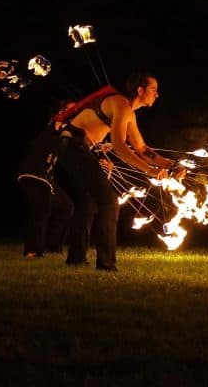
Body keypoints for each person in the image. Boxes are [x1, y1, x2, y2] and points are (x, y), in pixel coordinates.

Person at [49, 73, 186, 270]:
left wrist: (170, 166)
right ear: (140, 90)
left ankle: (76, 259)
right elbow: (119, 146)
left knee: (88, 202)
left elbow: (142, 149)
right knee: (109, 201)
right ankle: (106, 265)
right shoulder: (120, 103)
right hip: (71, 145)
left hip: (76, 148)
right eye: (154, 89)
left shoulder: (129, 112)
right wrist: (150, 170)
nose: (157, 94)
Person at [16, 125, 75, 258]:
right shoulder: (49, 132)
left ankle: (53, 247)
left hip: (47, 180)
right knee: (41, 209)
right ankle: (32, 250)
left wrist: (99, 151)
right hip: (33, 174)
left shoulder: (64, 139)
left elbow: (76, 149)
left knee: (67, 206)